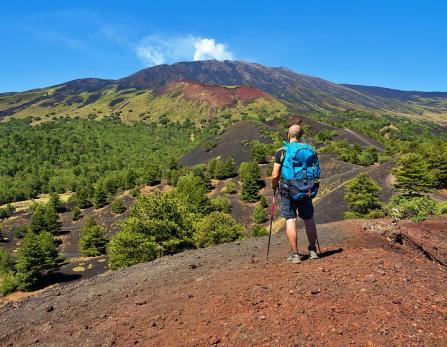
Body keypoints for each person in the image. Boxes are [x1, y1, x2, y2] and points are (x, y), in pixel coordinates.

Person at [271, 124, 319, 264]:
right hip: (306, 188)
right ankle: (312, 250)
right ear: (301, 136)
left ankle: (294, 254)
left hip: (288, 189)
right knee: (309, 219)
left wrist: (274, 186)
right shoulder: (310, 150)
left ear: (288, 135)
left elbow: (275, 174)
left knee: (291, 220)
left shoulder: (282, 151)